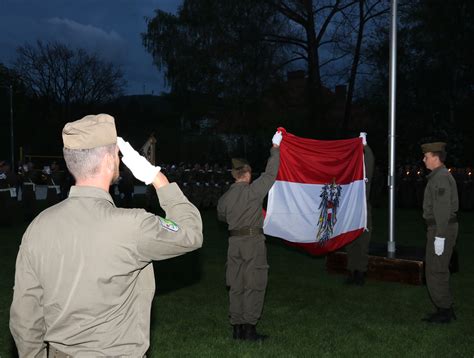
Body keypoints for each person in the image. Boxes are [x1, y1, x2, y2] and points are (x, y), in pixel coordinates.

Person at [10, 114, 203, 357]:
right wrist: (157, 178)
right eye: (117, 155)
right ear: (109, 160)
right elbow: (191, 233)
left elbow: (25, 315)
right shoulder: (132, 225)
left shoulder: (39, 226)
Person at [217, 130, 282, 341]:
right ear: (246, 174)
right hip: (252, 242)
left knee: (236, 285)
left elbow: (222, 217)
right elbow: (271, 174)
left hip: (233, 243)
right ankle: (249, 329)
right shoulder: (252, 192)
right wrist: (275, 149)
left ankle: (236, 328)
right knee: (254, 284)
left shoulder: (224, 198)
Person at [420, 142, 458, 324]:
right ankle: (444, 308)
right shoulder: (437, 176)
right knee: (436, 268)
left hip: (440, 228)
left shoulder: (441, 178)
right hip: (438, 228)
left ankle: (445, 310)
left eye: (426, 156)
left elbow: (442, 210)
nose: (424, 159)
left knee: (436, 270)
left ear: (435, 157)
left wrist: (440, 236)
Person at [344, 135, 375, 286]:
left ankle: (361, 272)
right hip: (349, 211)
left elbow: (369, 161)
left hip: (363, 210)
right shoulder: (348, 173)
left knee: (363, 242)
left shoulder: (364, 176)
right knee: (350, 243)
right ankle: (351, 271)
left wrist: (365, 146)